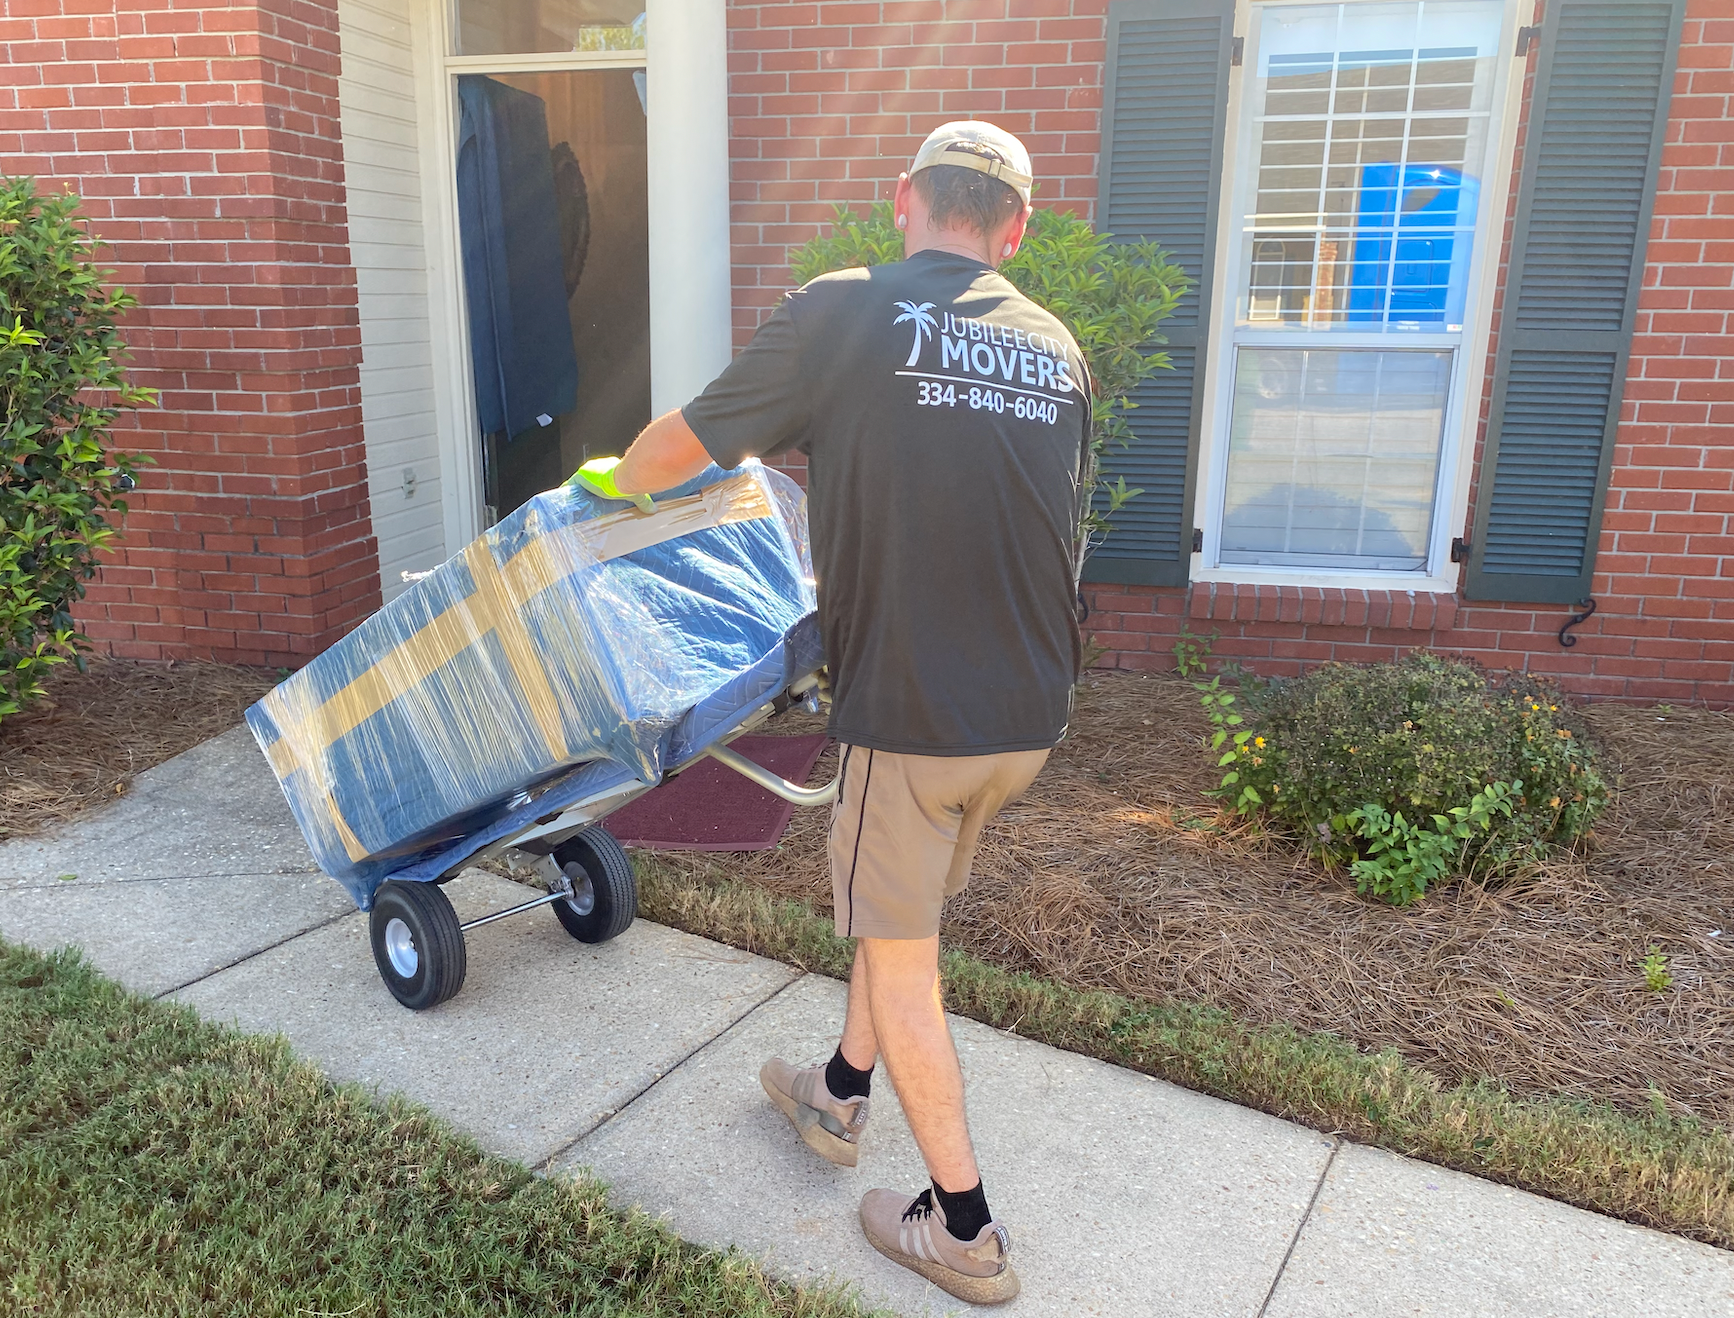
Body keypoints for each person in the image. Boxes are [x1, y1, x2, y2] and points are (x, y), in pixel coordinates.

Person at [573, 121, 1089, 1307]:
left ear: (905, 202)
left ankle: (964, 1230)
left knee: (903, 958)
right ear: (1014, 230)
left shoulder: (843, 311)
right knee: (894, 908)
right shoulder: (1056, 347)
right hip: (1028, 714)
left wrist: (597, 490)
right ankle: (837, 1093)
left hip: (915, 711)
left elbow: (680, 448)